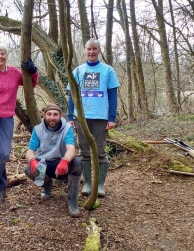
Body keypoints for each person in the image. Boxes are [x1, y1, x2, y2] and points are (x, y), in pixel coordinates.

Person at [0, 42, 39, 205]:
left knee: (3, 153)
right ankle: (1, 188)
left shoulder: (14, 72)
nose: (0, 57)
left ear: (6, 55)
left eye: (2, 53)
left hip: (6, 117)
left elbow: (30, 85)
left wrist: (34, 72)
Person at [67, 38, 120, 198]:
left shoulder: (108, 70)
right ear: (85, 51)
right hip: (81, 116)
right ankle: (88, 183)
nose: (91, 52)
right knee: (84, 151)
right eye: (88, 49)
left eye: (94, 49)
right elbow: (71, 95)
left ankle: (100, 185)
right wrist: (70, 116)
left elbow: (112, 96)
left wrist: (111, 118)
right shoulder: (77, 71)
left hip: (100, 116)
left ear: (99, 51)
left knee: (100, 150)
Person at [24, 104, 82, 217]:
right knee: (28, 170)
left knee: (77, 164)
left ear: (60, 116)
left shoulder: (67, 129)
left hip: (60, 165)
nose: (52, 117)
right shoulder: (38, 129)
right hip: (43, 164)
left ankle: (72, 201)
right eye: (49, 114)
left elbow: (71, 149)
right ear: (44, 115)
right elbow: (30, 151)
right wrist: (32, 161)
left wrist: (65, 160)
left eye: (55, 114)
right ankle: (47, 184)